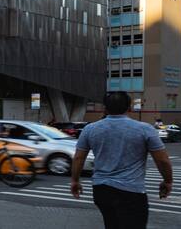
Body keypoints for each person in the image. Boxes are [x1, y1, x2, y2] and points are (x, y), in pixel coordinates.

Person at [71, 91, 174, 229]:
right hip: (131, 192)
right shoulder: (145, 129)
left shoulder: (90, 129)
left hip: (101, 190)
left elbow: (78, 158)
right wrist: (167, 181)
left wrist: (75, 181)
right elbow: (162, 161)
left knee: (111, 224)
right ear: (129, 107)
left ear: (105, 108)